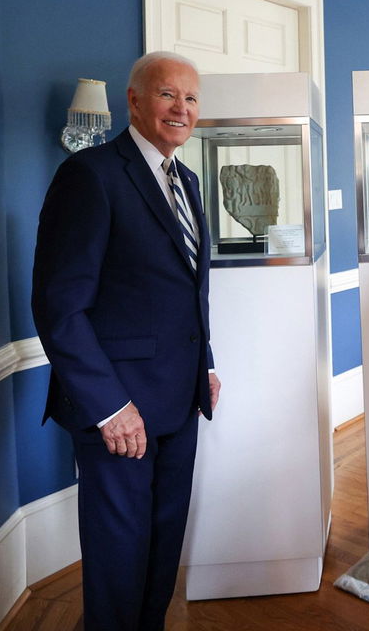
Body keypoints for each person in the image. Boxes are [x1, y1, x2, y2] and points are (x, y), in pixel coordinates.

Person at [32, 51, 222, 630]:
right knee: (119, 562)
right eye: (168, 95)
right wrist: (111, 408)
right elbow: (60, 308)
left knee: (163, 549)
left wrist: (205, 364)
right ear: (134, 100)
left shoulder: (184, 179)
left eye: (191, 98)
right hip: (119, 412)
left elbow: (187, 292)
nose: (181, 109)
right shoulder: (90, 175)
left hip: (180, 401)